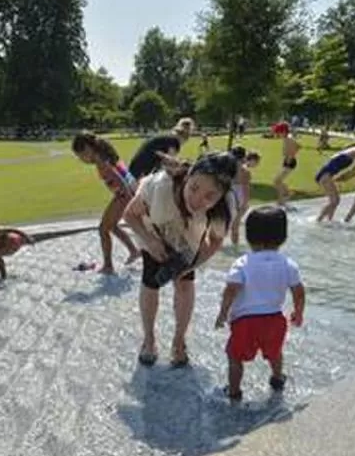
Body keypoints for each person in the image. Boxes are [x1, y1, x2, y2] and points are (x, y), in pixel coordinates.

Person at [123, 151, 236, 367]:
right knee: (150, 282)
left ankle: (179, 340)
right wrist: (150, 241)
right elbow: (129, 215)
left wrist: (192, 265)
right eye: (194, 188)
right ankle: (149, 339)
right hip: (154, 231)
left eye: (210, 196)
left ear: (221, 197)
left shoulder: (223, 207)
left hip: (189, 237)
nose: (197, 200)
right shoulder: (159, 186)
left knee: (185, 283)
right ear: (189, 175)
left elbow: (214, 241)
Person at [214, 207, 305, 402]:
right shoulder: (288, 263)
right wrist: (298, 312)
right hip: (274, 318)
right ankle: (277, 378)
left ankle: (234, 392)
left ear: (249, 236)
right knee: (275, 352)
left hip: (245, 322)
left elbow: (231, 289)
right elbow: (298, 290)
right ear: (283, 236)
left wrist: (223, 313)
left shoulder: (243, 263)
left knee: (235, 357)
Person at [71, 131, 140, 273]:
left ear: (88, 149)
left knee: (103, 229)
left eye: (81, 156)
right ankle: (133, 251)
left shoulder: (102, 162)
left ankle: (108, 266)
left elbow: (121, 180)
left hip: (123, 197)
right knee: (112, 226)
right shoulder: (105, 157)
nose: (82, 160)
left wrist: (130, 201)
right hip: (124, 195)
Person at [313, 139, 355, 223]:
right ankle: (318, 220)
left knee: (335, 201)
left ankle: (329, 220)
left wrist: (343, 177)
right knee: (334, 201)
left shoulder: (350, 154)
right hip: (325, 175)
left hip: (327, 175)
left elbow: (353, 170)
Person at [126, 117, 195, 181]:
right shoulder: (173, 141)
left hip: (137, 166)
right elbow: (170, 162)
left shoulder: (166, 137)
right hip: (143, 170)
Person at [230, 149, 260, 246]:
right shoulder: (242, 171)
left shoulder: (236, 170)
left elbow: (245, 189)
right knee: (234, 225)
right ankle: (235, 246)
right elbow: (245, 189)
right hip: (236, 199)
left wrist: (245, 204)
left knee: (233, 225)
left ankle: (234, 246)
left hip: (235, 199)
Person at [273, 126, 302, 206]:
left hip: (290, 162)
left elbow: (297, 146)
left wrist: (291, 156)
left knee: (276, 181)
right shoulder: (287, 138)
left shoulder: (288, 139)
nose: (278, 134)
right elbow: (298, 146)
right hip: (287, 161)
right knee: (278, 181)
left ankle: (282, 198)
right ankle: (286, 195)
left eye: (279, 132)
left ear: (283, 132)